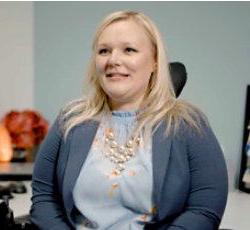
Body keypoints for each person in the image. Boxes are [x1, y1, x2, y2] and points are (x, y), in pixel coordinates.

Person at [30, 11, 228, 230]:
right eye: (104, 51)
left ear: (154, 61)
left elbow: (204, 209)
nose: (114, 60)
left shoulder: (188, 124)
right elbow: (43, 198)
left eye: (129, 50)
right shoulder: (70, 120)